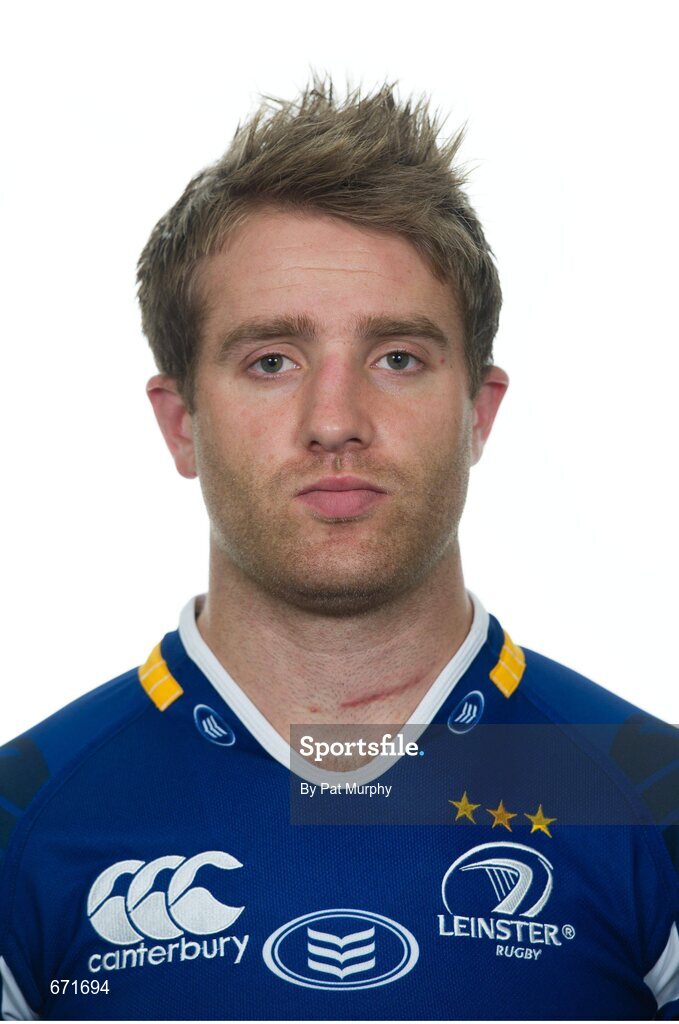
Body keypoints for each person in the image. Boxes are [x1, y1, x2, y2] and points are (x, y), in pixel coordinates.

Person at [0, 79, 677, 1022]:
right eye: (271, 360)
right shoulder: (23, 826)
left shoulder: (650, 801)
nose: (334, 423)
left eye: (396, 357)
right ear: (181, 424)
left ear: (477, 413)